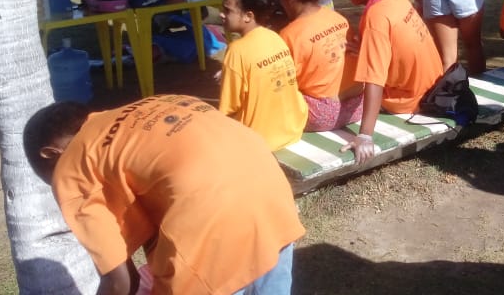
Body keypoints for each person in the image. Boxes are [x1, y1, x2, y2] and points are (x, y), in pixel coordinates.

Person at [23, 95, 304, 294]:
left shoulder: (70, 166)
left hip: (214, 214)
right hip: (270, 188)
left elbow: (121, 282)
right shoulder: (148, 106)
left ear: (50, 154)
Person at [340, 0, 444, 165]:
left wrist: (365, 135)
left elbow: (374, 79)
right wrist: (365, 48)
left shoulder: (376, 17)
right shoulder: (398, 0)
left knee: (342, 97)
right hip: (433, 88)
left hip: (409, 101)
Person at [219, 0, 308, 150]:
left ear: (248, 16)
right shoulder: (275, 37)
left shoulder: (236, 50)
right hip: (292, 129)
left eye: (227, 11)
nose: (221, 14)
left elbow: (228, 109)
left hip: (260, 140)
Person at [277, 0, 364, 132]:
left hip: (323, 115)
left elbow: (284, 85)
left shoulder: (289, 35)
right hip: (358, 106)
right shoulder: (338, 18)